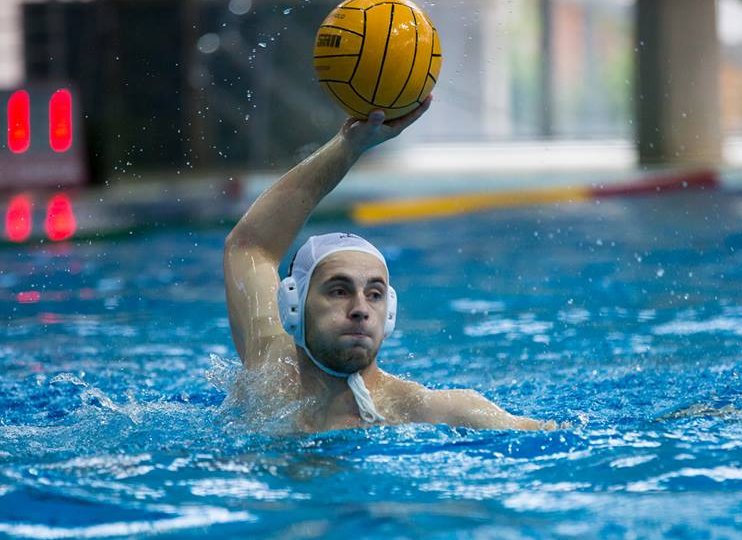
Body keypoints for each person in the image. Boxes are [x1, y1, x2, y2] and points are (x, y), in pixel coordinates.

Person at [223, 97, 557, 433]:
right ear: (293, 306)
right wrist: (349, 146)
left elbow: (550, 437)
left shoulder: (427, 411)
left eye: (375, 294)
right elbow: (249, 245)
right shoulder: (268, 371)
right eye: (338, 291)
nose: (360, 309)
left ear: (390, 312)